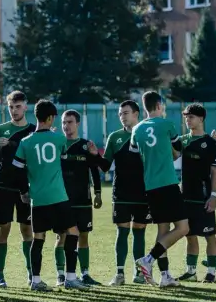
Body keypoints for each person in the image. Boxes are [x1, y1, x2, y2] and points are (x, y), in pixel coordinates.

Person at [13, 100, 87, 291]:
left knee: (38, 238)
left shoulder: (25, 142)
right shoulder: (59, 139)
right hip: (58, 196)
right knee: (73, 233)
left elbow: (17, 170)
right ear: (51, 118)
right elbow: (62, 160)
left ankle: (35, 280)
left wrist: (24, 192)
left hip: (37, 198)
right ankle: (70, 277)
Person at [133, 92, 189, 288]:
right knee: (183, 228)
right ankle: (148, 259)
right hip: (167, 183)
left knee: (163, 230)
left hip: (150, 186)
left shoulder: (137, 129)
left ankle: (165, 276)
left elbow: (136, 152)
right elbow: (178, 148)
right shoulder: (167, 124)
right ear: (158, 105)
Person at [97, 101, 150, 286]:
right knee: (122, 231)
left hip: (143, 192)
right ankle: (119, 274)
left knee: (140, 232)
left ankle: (140, 272)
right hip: (121, 192)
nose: (122, 116)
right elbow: (105, 166)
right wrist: (94, 154)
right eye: (120, 114)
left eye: (126, 113)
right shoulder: (115, 137)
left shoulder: (145, 134)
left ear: (136, 114)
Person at [0, 90, 36, 286]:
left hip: (25, 187)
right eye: (11, 107)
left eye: (18, 106)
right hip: (4, 185)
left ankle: (30, 274)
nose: (14, 110)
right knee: (3, 229)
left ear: (26, 107)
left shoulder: (34, 130)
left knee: (27, 230)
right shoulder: (0, 129)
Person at [56, 109, 103, 286]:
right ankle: (61, 274)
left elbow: (94, 170)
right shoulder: (57, 144)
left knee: (83, 236)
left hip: (83, 199)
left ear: (77, 124)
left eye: (69, 122)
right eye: (63, 122)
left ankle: (85, 274)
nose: (66, 126)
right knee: (62, 237)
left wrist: (98, 193)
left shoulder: (86, 145)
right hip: (61, 199)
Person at [177, 104, 216, 283]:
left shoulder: (211, 143)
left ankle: (211, 271)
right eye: (186, 117)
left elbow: (215, 172)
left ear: (201, 119)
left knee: (210, 235)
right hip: (185, 196)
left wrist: (213, 196)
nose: (188, 120)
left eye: (191, 117)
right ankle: (191, 271)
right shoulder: (182, 141)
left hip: (203, 197)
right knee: (189, 234)